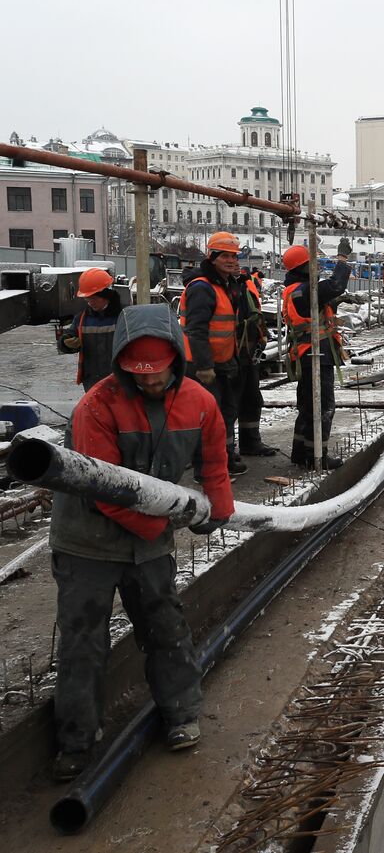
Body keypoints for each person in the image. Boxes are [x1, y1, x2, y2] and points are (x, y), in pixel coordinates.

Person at [48, 304, 234, 781]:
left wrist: (220, 507)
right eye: (140, 375)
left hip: (148, 535)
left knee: (165, 626)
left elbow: (214, 462)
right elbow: (105, 491)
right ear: (121, 365)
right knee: (83, 642)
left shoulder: (198, 402)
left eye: (159, 374)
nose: (151, 383)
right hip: (88, 540)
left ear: (177, 359)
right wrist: (164, 528)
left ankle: (180, 715)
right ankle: (76, 742)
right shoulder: (96, 406)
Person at [179, 232, 252, 476]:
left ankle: (225, 458)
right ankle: (206, 469)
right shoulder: (202, 288)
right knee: (207, 417)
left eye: (234, 255)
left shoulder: (226, 284)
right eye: (225, 256)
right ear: (212, 257)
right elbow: (196, 329)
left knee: (227, 412)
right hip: (202, 365)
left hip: (222, 362)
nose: (232, 260)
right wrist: (204, 366)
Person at [281, 241, 351, 469]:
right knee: (323, 406)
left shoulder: (295, 290)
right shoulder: (305, 290)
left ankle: (300, 452)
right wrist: (341, 259)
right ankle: (316, 455)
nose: (316, 266)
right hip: (315, 354)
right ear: (302, 267)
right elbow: (335, 285)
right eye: (312, 263)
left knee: (308, 405)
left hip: (307, 353)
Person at [58, 268, 125, 391]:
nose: (90, 303)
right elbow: (68, 337)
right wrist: (66, 342)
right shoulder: (82, 318)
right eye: (87, 299)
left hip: (119, 382)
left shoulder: (123, 317)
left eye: (94, 298)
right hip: (91, 383)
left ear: (106, 296)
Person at [234, 267, 276, 457]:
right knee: (229, 404)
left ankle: (250, 443)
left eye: (235, 257)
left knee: (251, 399)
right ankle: (223, 454)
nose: (233, 263)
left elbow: (254, 314)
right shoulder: (213, 287)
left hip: (248, 352)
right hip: (229, 354)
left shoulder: (245, 285)